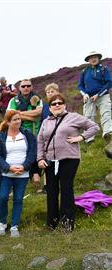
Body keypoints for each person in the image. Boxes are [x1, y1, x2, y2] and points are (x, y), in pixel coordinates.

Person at [37, 93, 100, 231]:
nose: (57, 105)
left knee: (66, 190)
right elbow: (40, 141)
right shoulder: (45, 122)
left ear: (64, 105)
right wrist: (40, 159)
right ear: (50, 107)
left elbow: (94, 127)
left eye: (60, 103)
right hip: (50, 161)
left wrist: (81, 137)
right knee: (52, 192)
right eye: (54, 104)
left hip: (69, 159)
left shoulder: (73, 117)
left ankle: (67, 224)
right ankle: (51, 223)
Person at [0, 110, 37, 238]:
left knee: (18, 199)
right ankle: (3, 222)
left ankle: (14, 226)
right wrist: (8, 168)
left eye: (19, 119)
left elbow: (33, 153)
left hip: (23, 175)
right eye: (15, 119)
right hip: (6, 174)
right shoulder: (0, 137)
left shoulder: (27, 134)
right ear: (8, 122)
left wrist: (24, 166)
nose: (18, 121)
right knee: (3, 197)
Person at [7, 79, 44, 193]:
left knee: (34, 151)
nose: (26, 88)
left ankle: (35, 174)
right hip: (18, 131)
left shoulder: (37, 99)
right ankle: (29, 176)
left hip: (35, 130)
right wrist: (30, 116)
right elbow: (10, 115)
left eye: (28, 86)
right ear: (19, 88)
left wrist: (20, 114)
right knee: (22, 153)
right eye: (23, 86)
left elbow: (38, 113)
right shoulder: (13, 100)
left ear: (32, 87)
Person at [77, 51, 112, 156]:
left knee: (106, 113)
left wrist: (99, 93)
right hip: (89, 97)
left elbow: (109, 82)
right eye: (91, 57)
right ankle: (89, 139)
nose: (93, 59)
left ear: (98, 58)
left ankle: (108, 133)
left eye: (95, 57)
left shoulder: (104, 69)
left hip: (103, 95)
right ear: (88, 60)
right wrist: (84, 94)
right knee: (88, 117)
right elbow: (80, 86)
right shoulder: (84, 71)